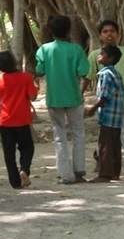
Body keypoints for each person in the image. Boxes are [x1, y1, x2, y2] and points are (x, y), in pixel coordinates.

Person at [86, 19, 124, 179]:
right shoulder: (95, 55)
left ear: (118, 35)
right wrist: (81, 95)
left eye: (112, 31)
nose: (109, 34)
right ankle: (103, 163)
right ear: (100, 36)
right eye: (105, 31)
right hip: (106, 105)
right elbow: (88, 77)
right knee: (106, 134)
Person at [35, 14, 90, 184]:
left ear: (50, 30)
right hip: (74, 97)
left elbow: (39, 70)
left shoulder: (44, 50)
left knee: (59, 136)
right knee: (79, 133)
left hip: (54, 98)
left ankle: (65, 175)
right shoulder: (77, 50)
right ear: (68, 30)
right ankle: (79, 172)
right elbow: (84, 71)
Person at [0, 50, 38, 189]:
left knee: (8, 152)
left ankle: (15, 181)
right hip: (22, 120)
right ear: (14, 62)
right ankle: (24, 169)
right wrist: (36, 86)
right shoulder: (26, 77)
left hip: (5, 121)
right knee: (27, 147)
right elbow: (33, 97)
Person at [84, 45, 124, 182]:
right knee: (115, 144)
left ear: (110, 58)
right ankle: (115, 172)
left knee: (105, 144)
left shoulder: (104, 74)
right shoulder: (117, 73)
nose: (99, 55)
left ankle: (105, 174)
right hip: (117, 116)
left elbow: (104, 96)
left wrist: (92, 108)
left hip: (108, 116)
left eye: (102, 53)